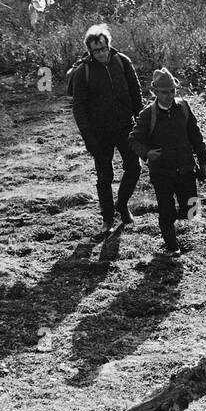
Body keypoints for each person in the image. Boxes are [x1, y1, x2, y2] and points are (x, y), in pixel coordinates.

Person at [69, 23, 143, 261]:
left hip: (125, 126)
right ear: (90, 51)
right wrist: (88, 137)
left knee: (134, 167)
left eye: (103, 48)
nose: (100, 53)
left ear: (108, 45)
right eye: (96, 50)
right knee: (104, 177)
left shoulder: (123, 62)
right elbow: (79, 108)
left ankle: (122, 204)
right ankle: (107, 219)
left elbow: (136, 93)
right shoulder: (84, 72)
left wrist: (141, 124)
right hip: (99, 133)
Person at [128, 67, 206, 256]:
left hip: (186, 169)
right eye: (164, 92)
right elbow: (133, 140)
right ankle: (173, 247)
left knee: (192, 210)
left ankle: (180, 225)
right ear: (155, 92)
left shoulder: (183, 107)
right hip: (162, 173)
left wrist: (203, 161)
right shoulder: (148, 114)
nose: (169, 95)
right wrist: (147, 153)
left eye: (172, 91)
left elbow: (196, 135)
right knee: (166, 213)